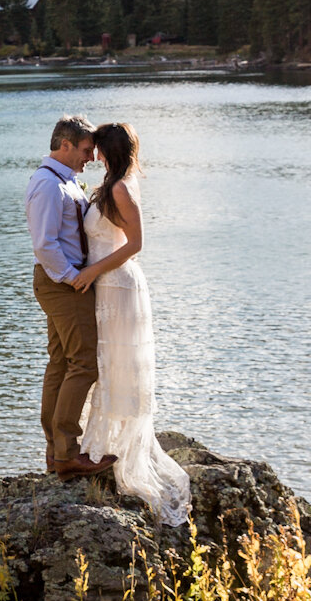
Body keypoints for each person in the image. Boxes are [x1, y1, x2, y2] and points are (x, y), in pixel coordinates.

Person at [72, 121, 191, 524]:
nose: (92, 153)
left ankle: (115, 453)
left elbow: (136, 243)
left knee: (116, 366)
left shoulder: (121, 187)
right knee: (107, 366)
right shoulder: (110, 184)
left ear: (107, 150)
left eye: (97, 148)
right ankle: (104, 448)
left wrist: (92, 272)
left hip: (118, 287)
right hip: (105, 285)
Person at [26, 115, 112, 480]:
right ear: (65, 145)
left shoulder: (66, 182)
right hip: (62, 284)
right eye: (85, 150)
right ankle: (67, 454)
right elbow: (44, 243)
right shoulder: (48, 185)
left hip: (62, 282)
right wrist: (74, 278)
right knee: (84, 364)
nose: (90, 157)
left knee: (61, 363)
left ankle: (55, 453)